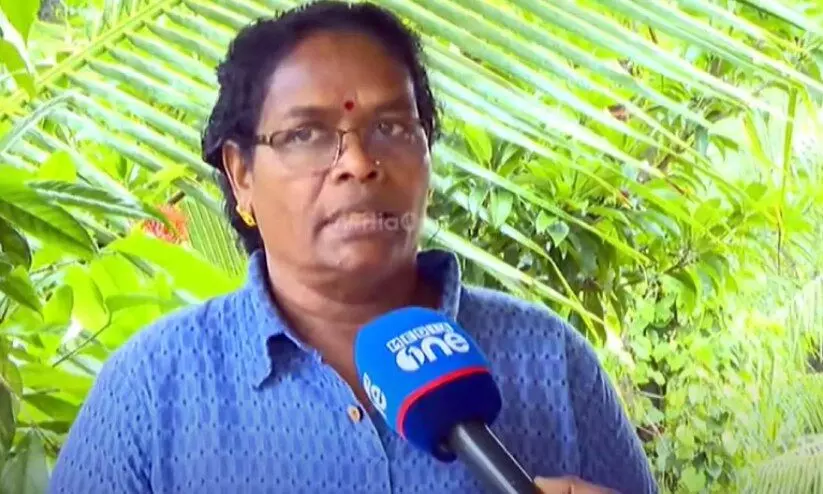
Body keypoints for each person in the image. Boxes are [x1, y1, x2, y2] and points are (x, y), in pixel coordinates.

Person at [48, 2, 658, 493]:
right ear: (241, 175)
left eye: (391, 127)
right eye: (306, 134)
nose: (359, 163)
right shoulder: (153, 388)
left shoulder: (548, 360)